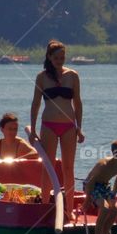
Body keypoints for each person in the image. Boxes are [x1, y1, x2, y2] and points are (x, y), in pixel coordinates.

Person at [28, 40, 84, 220]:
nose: (60, 60)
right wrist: (33, 129)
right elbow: (36, 103)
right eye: (57, 57)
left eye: (63, 57)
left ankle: (69, 210)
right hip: (48, 125)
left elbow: (78, 103)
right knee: (48, 167)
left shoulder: (73, 75)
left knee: (69, 168)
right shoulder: (42, 77)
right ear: (49, 57)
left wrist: (79, 128)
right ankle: (45, 208)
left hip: (68, 126)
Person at [83, 140, 117, 234]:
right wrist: (88, 199)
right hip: (92, 185)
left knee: (115, 209)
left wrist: (113, 194)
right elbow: (90, 182)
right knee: (105, 208)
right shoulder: (104, 165)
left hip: (105, 186)